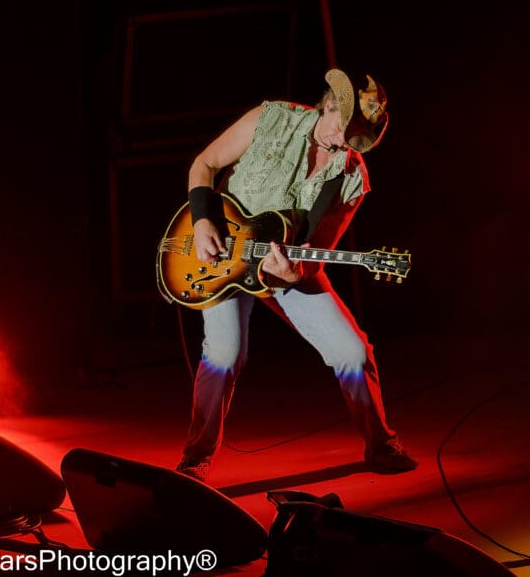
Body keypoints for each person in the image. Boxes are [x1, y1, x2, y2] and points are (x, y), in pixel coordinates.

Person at [175, 68, 417, 481]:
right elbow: (205, 163)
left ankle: (380, 443)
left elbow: (316, 256)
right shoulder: (272, 117)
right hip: (221, 255)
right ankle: (195, 457)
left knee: (353, 350)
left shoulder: (352, 176)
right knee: (224, 354)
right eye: (343, 127)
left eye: (355, 137)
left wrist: (291, 273)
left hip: (283, 265)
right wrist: (201, 223)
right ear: (329, 104)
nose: (343, 141)